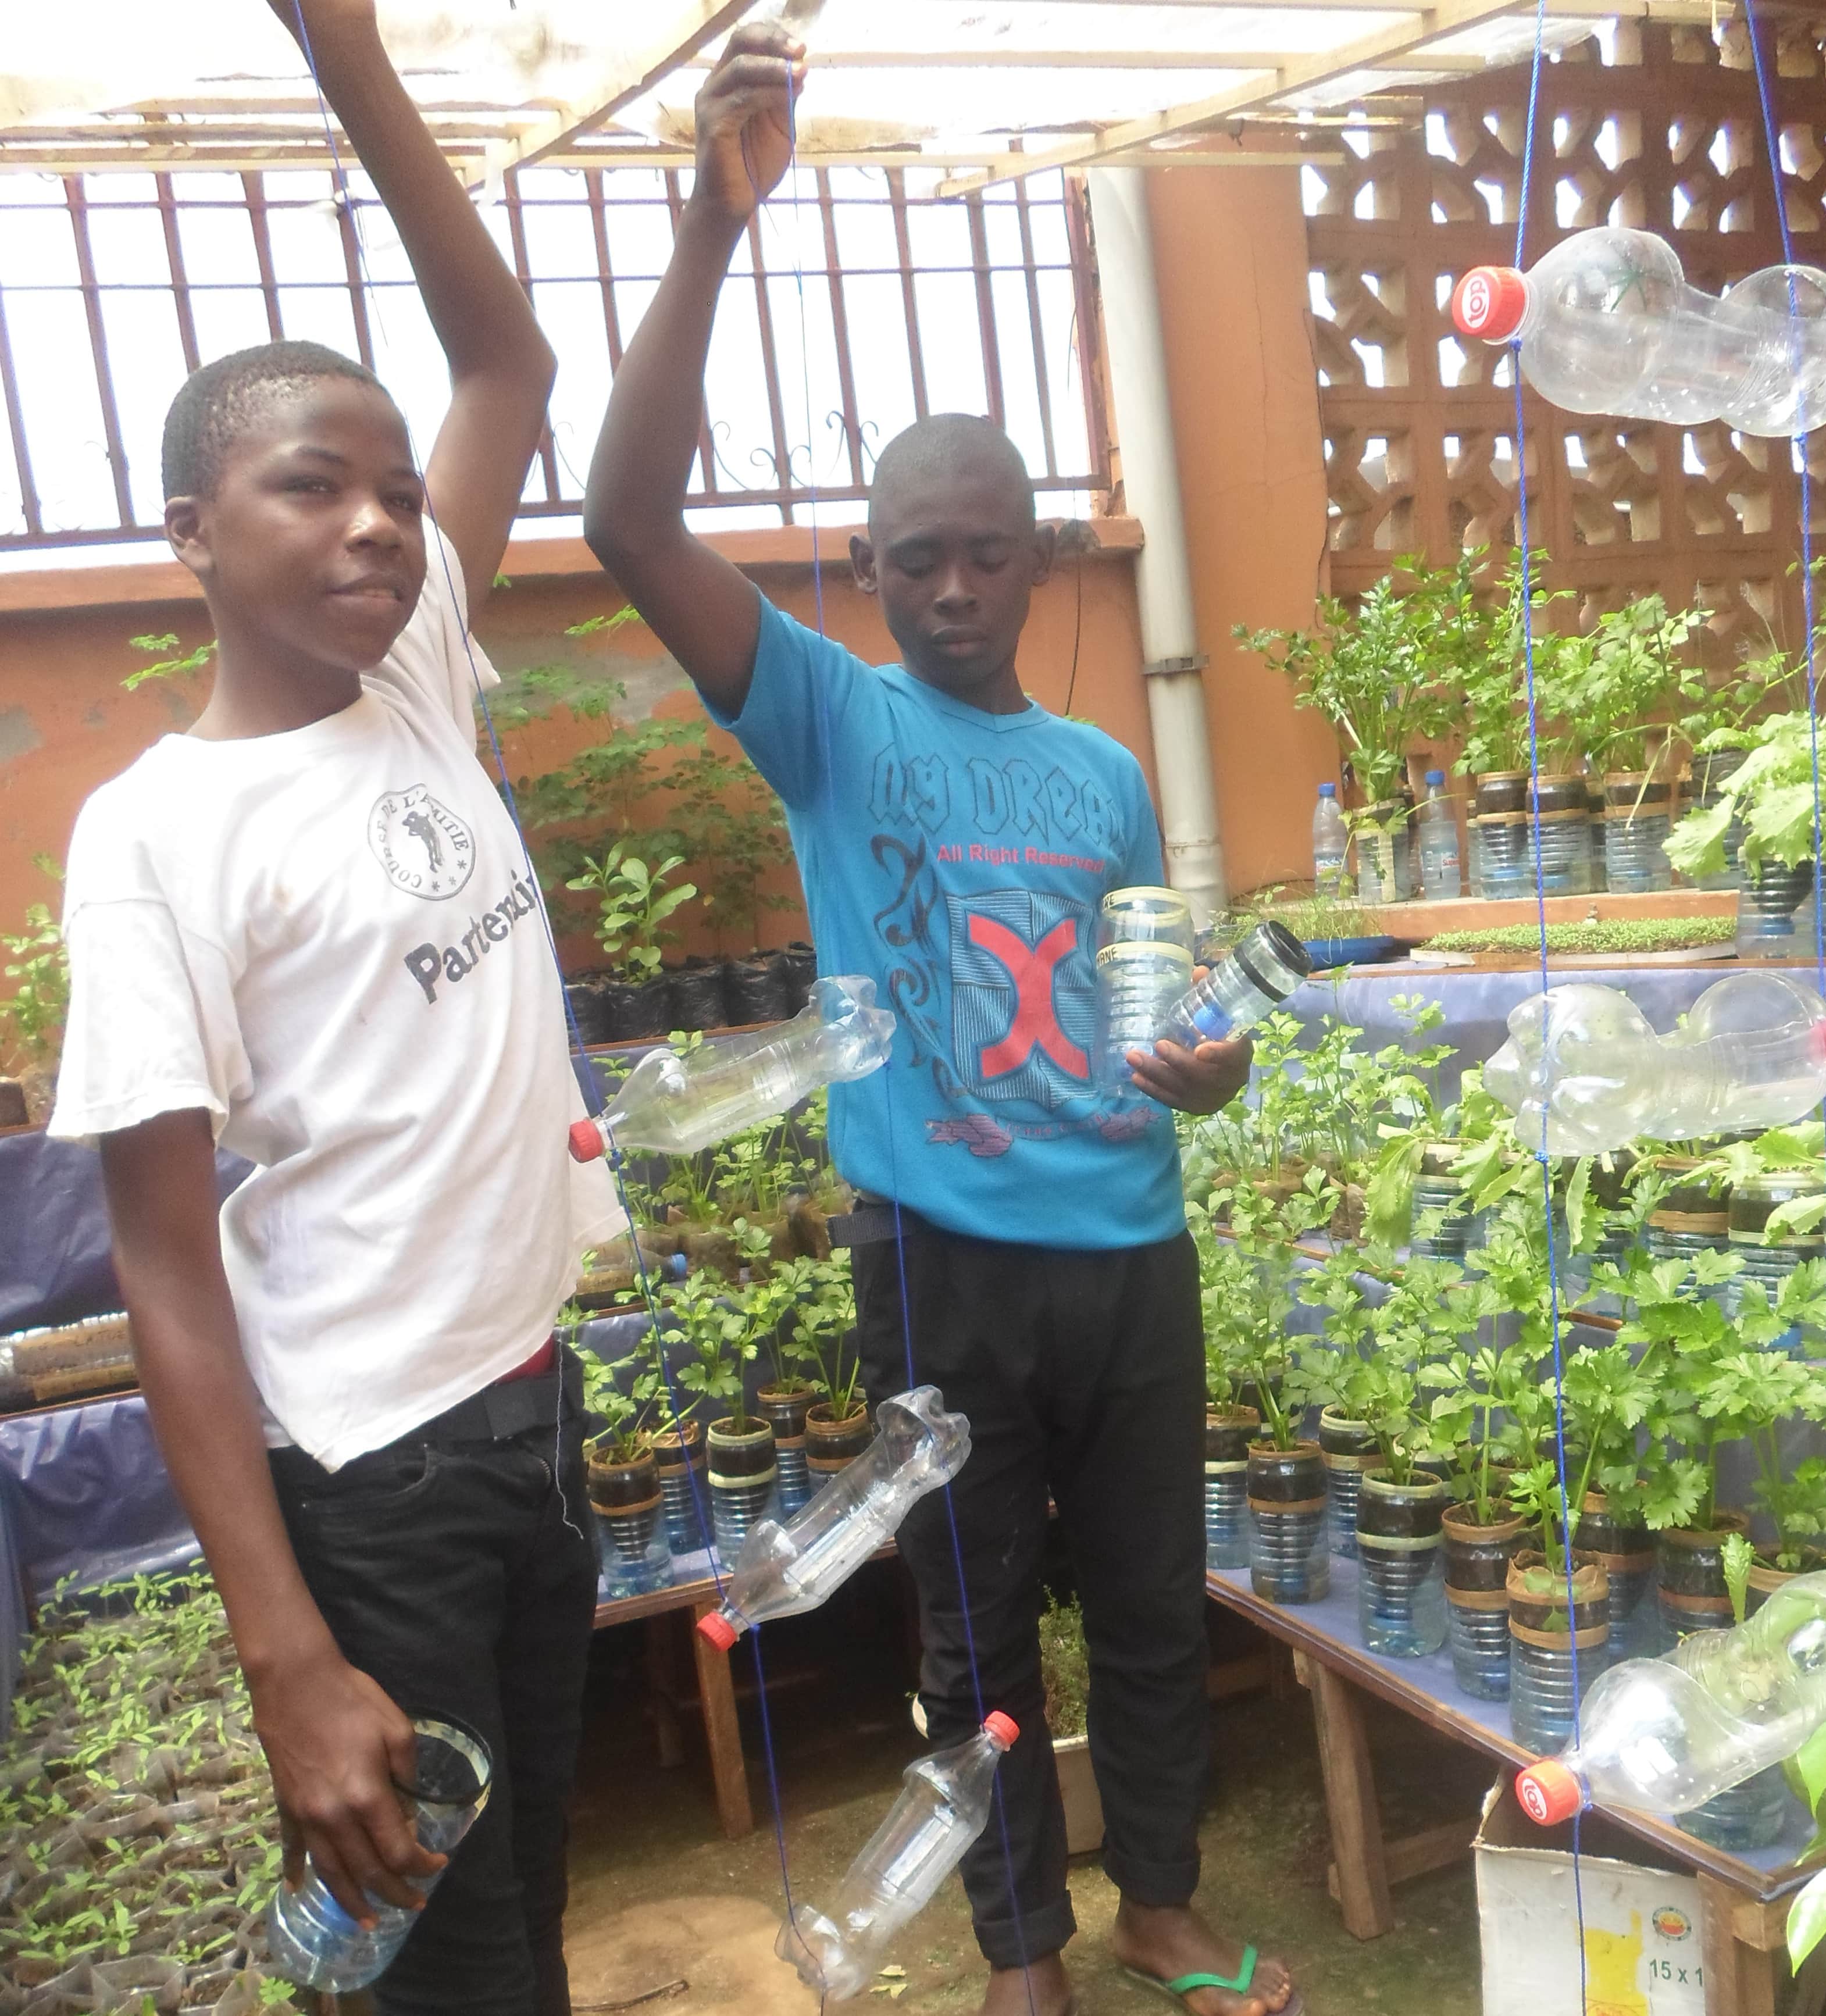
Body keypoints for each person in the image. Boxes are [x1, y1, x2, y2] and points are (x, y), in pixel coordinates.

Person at [582, 26, 1297, 2016]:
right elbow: (632, 518)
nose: (957, 588)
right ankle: (1021, 1946)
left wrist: (1214, 1073)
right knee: (975, 1622)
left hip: (1129, 1243)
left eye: (991, 553)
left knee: (1156, 1602)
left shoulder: (1097, 773)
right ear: (873, 567)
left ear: (1043, 557)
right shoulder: (826, 715)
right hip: (942, 1255)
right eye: (918, 559)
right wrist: (710, 234)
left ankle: (1158, 1900)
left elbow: (1163, 1006)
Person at [45, 3, 620, 2011]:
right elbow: (168, 1271)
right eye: (314, 485)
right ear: (193, 536)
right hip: (374, 1483)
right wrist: (291, 1657)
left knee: (519, 1919)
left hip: (533, 1419)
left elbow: (510, 360)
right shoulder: (158, 839)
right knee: (451, 1976)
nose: (379, 520)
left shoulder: (414, 678)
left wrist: (352, 55)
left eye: (396, 490)